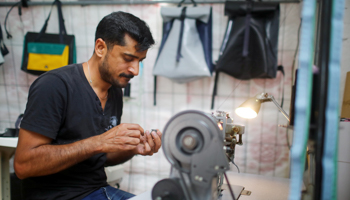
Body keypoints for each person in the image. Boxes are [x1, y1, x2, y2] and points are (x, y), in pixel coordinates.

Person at [14, 11, 160, 200]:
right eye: (127, 58)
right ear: (100, 48)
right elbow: (23, 166)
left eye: (140, 61)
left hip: (97, 190)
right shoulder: (54, 86)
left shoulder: (114, 90)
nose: (135, 70)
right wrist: (98, 142)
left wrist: (133, 149)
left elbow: (102, 156)